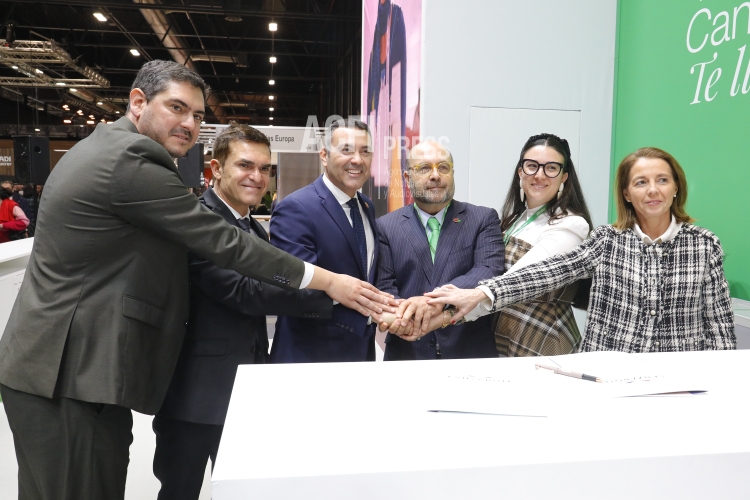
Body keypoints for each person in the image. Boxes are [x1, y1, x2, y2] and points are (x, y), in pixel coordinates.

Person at [0, 60, 394, 500]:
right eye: (176, 108)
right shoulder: (131, 157)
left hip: (77, 371)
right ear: (137, 102)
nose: (189, 123)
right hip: (68, 373)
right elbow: (222, 245)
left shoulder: (109, 149)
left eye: (198, 115)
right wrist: (329, 283)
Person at [152, 124, 334, 500]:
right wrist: (331, 292)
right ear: (216, 169)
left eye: (265, 168)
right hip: (195, 395)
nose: (257, 176)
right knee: (180, 491)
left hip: (243, 392)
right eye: (245, 165)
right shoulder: (197, 220)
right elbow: (243, 292)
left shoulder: (251, 227)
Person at [423, 147, 736, 353]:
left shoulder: (704, 244)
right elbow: (546, 273)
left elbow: (719, 327)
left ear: (676, 187)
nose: (653, 190)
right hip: (608, 376)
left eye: (662, 180)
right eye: (641, 182)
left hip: (678, 380)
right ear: (627, 193)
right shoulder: (607, 240)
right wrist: (483, 292)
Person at [375, 141, 503, 359]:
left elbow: (489, 270)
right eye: (424, 168)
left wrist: (431, 302)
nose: (435, 175)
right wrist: (404, 317)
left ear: (452, 173)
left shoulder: (482, 219)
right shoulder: (386, 226)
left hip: (469, 351)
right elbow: (385, 287)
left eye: (443, 167)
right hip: (408, 351)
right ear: (407, 178)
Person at [270, 118, 383, 362]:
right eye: (346, 150)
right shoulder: (296, 208)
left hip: (360, 352)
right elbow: (291, 287)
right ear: (324, 155)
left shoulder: (366, 206)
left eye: (365, 151)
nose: (357, 160)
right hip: (311, 356)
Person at [492, 133, 592, 356]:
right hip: (506, 331)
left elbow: (517, 280)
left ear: (564, 177)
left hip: (544, 339)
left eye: (551, 168)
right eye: (532, 166)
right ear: (520, 171)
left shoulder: (570, 224)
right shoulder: (513, 220)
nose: (539, 175)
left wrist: (457, 309)